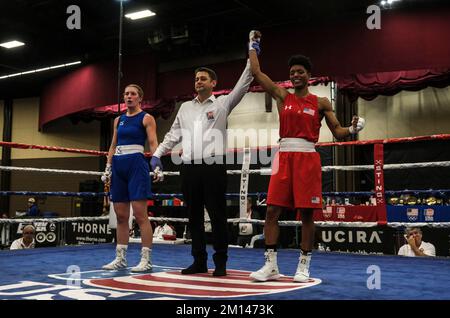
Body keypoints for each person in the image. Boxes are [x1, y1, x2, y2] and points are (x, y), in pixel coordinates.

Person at [247, 31, 365, 282]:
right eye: (292, 72)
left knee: (307, 213)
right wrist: (253, 46)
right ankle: (271, 266)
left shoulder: (321, 102)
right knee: (271, 212)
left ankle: (304, 265)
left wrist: (354, 128)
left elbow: (338, 132)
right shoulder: (282, 96)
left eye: (300, 71)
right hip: (284, 156)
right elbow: (257, 74)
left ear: (308, 75)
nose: (295, 75)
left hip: (307, 158)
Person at [151, 57, 254, 277]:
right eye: (196, 79)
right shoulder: (186, 107)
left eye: (203, 78)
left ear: (213, 83)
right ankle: (199, 261)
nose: (198, 81)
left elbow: (243, 84)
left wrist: (251, 56)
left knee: (217, 216)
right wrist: (157, 154)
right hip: (189, 167)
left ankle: (220, 263)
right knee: (193, 216)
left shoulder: (222, 103)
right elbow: (173, 134)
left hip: (213, 165)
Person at [101, 84, 161, 272]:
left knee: (140, 214)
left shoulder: (147, 118)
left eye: (133, 94)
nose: (128, 96)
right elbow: (112, 144)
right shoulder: (118, 120)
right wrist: (108, 166)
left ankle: (146, 258)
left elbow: (152, 142)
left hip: (136, 164)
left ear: (140, 98)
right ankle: (120, 258)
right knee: (121, 215)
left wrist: (157, 165)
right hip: (118, 164)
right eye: (126, 94)